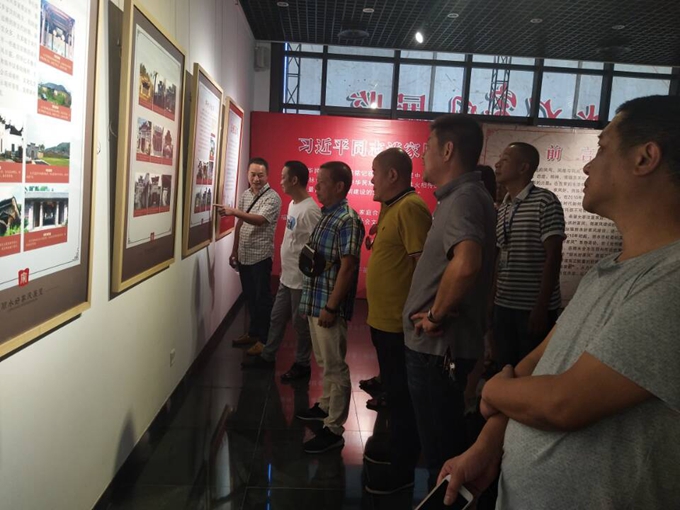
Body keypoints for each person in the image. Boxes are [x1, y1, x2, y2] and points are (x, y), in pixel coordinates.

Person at [438, 95, 680, 508]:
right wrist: (488, 443)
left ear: (645, 158)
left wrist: (491, 389)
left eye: (602, 149)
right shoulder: (604, 272)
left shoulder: (670, 281)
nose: (588, 166)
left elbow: (564, 402)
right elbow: (535, 366)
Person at [401, 114, 497, 490]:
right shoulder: (461, 197)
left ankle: (444, 499)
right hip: (438, 350)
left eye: (427, 147)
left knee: (442, 450)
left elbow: (467, 262)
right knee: (441, 441)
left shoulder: (464, 199)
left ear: (448, 150)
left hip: (437, 350)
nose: (422, 155)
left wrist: (435, 315)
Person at [363, 148, 432, 493]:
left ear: (392, 175)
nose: (371, 179)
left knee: (404, 399)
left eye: (375, 172)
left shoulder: (411, 208)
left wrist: (420, 314)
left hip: (399, 325)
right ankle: (394, 449)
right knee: (394, 392)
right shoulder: (392, 206)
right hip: (384, 321)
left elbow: (424, 267)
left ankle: (403, 469)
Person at [295, 161, 365, 454]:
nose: (316, 187)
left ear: (339, 186)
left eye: (321, 182)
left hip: (327, 305)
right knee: (324, 361)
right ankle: (325, 406)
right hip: (316, 300)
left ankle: (334, 428)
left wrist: (332, 307)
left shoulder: (347, 219)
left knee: (335, 366)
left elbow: (348, 268)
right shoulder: (327, 215)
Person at [241, 161, 321, 382]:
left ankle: (302, 364)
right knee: (276, 318)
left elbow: (317, 248)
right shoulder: (294, 203)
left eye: (284, 177)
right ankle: (268, 356)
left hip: (301, 279)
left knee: (300, 324)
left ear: (294, 180)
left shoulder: (310, 210)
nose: (281, 181)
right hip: (287, 276)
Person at [492, 143, 565, 367]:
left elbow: (554, 256)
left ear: (523, 167)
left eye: (505, 159)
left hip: (532, 307)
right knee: (504, 366)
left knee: (529, 368)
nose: (497, 164)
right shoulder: (504, 207)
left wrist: (541, 306)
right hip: (504, 303)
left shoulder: (546, 201)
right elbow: (500, 256)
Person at [218, 157, 282, 348]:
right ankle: (253, 333)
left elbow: (259, 220)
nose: (256, 179)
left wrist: (234, 212)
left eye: (260, 175)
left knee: (262, 299)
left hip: (260, 256)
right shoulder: (246, 195)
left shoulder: (272, 198)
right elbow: (240, 224)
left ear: (267, 176)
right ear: (247, 174)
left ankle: (264, 340)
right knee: (250, 297)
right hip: (244, 255)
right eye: (253, 174)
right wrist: (234, 250)